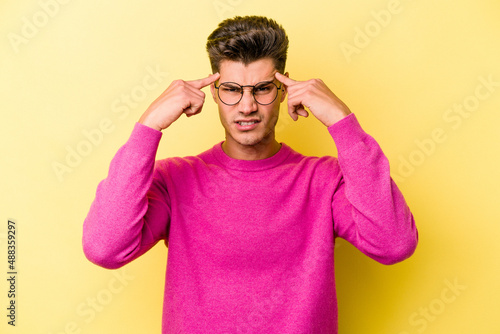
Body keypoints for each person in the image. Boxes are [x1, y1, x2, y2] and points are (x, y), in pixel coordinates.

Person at [83, 15, 418, 334]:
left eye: (262, 89)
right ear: (214, 93)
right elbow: (104, 248)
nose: (246, 106)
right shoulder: (175, 180)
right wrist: (148, 127)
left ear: (284, 89)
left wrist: (343, 123)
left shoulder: (324, 180)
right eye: (231, 89)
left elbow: (394, 244)